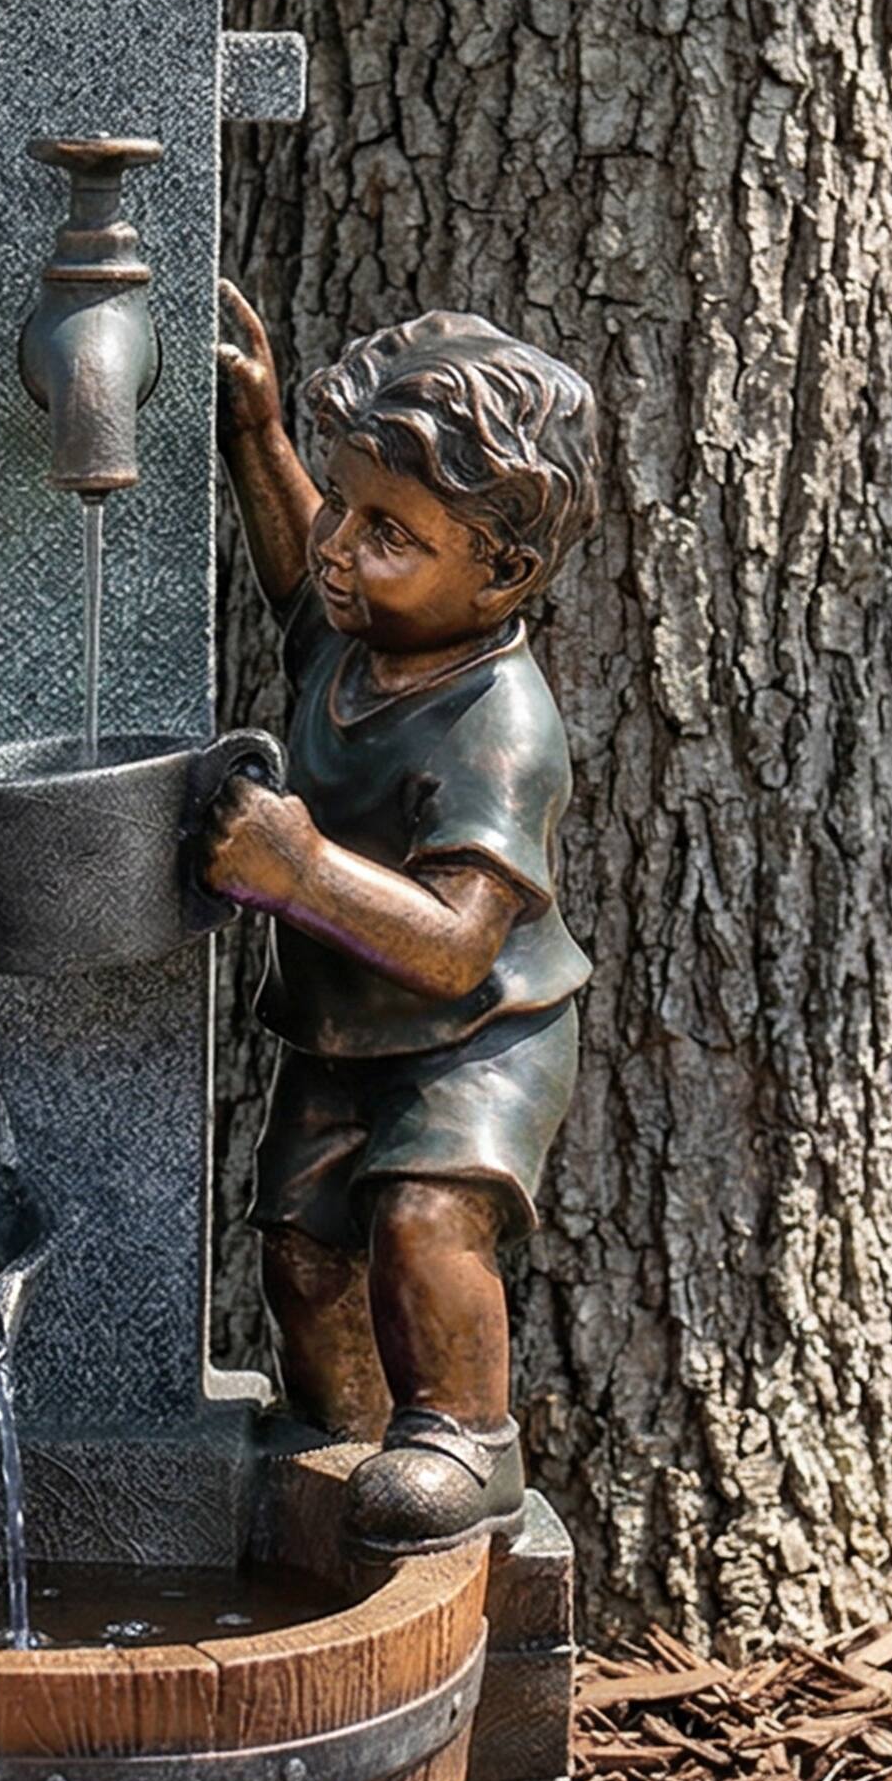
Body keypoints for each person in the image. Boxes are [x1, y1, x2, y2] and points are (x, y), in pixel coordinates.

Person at [204, 287, 601, 1549]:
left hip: (476, 1036)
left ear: (505, 571)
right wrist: (255, 436)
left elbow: (456, 943)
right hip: (341, 1029)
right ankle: (347, 1429)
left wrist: (301, 872)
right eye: (345, 503)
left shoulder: (500, 725)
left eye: (389, 533)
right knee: (302, 1253)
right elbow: (292, 560)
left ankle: (464, 1439)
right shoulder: (353, 633)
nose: (338, 550)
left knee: (424, 1224)